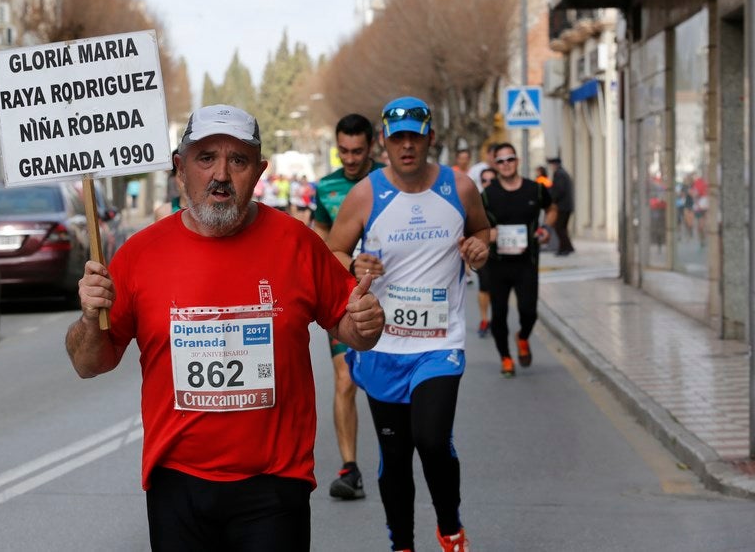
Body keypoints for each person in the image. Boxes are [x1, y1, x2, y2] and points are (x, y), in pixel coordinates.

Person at [66, 104, 385, 552]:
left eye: (237, 160)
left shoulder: (296, 244)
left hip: (275, 482)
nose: (221, 174)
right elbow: (88, 364)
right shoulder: (139, 256)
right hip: (177, 482)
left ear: (259, 172)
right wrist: (87, 317)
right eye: (205, 158)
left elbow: (353, 329)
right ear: (180, 169)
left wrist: (368, 321)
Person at [326, 96, 490, 552]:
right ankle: (402, 544)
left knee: (432, 440)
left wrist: (480, 248)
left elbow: (481, 231)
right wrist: (354, 263)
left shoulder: (459, 188)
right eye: (397, 138)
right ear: (384, 142)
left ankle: (450, 528)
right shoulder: (366, 195)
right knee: (395, 457)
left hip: (440, 343)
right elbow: (334, 252)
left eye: (415, 137)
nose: (407, 147)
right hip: (382, 345)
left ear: (429, 138)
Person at [311, 113, 385, 501]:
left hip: (392, 298)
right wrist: (348, 264)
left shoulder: (390, 181)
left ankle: (396, 456)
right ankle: (350, 468)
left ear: (371, 146)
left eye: (358, 151)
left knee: (386, 383)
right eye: (343, 151)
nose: (350, 159)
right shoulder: (327, 187)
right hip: (342, 299)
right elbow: (321, 243)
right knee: (344, 379)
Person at [482, 143, 556, 378]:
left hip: (527, 262)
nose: (506, 164)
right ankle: (505, 357)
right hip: (498, 263)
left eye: (510, 159)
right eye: (501, 161)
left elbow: (552, 209)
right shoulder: (488, 194)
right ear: (495, 164)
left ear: (517, 161)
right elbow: (475, 223)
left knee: (529, 312)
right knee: (500, 314)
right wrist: (487, 234)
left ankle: (522, 337)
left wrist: (545, 228)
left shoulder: (535, 190)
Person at [475, 167, 498, 338]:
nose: (488, 184)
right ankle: (484, 319)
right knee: (484, 286)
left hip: (506, 252)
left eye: (492, 180)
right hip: (485, 251)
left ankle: (498, 319)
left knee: (499, 288)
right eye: (485, 181)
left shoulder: (506, 197)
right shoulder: (478, 201)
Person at [547, 156, 575, 255]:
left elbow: (559, 190)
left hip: (563, 206)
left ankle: (564, 249)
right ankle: (567, 247)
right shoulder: (563, 173)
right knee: (562, 228)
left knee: (559, 227)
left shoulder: (559, 174)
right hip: (566, 205)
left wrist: (552, 199)